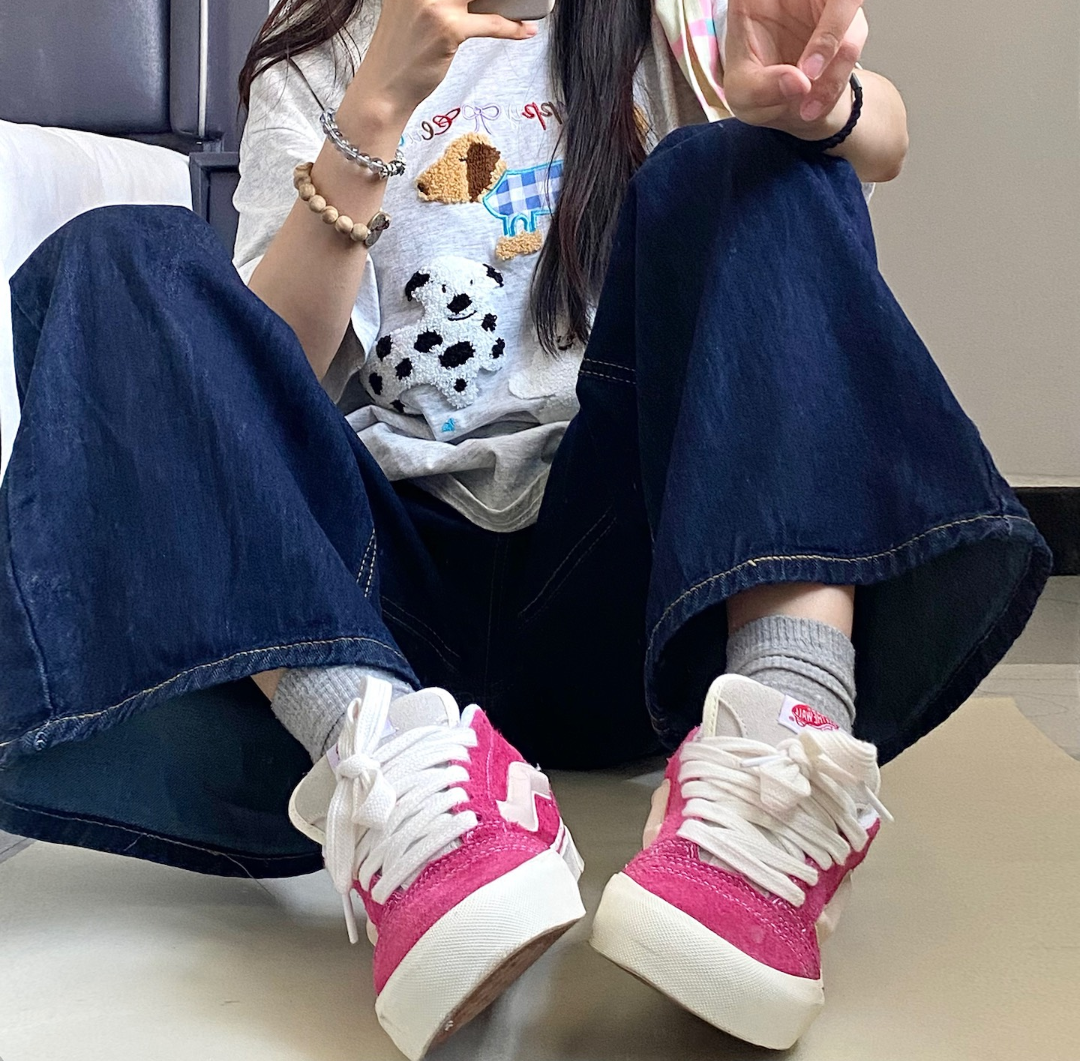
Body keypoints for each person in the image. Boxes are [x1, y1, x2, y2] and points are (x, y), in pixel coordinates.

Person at [0, 0, 1051, 1056]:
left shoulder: (664, 18)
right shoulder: (324, 41)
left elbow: (883, 140)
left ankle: (780, 770)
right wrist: (374, 112)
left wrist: (822, 106)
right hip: (381, 615)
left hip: (624, 588)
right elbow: (253, 392)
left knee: (762, 158)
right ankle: (396, 788)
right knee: (117, 255)